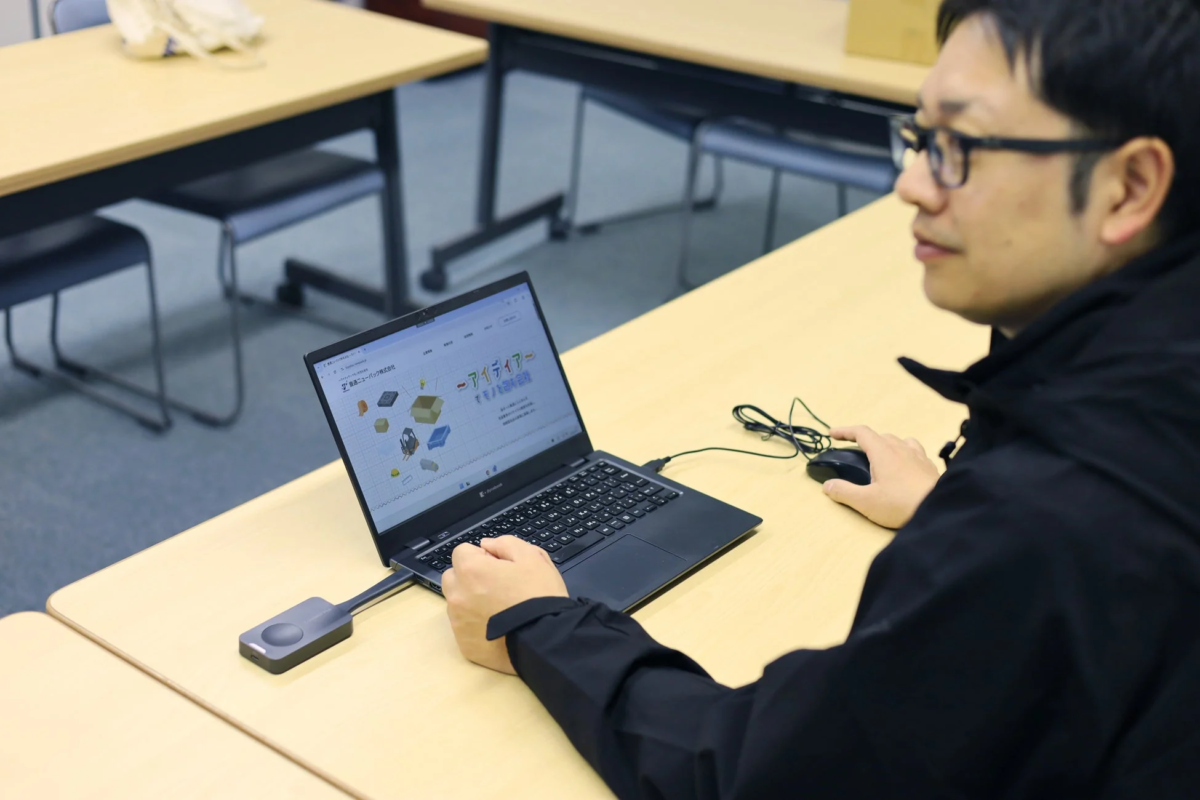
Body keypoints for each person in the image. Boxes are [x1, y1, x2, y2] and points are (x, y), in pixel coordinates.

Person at [441, 0, 1200, 795]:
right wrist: (956, 505)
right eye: (917, 139)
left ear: (1130, 186)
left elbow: (755, 776)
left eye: (959, 148)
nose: (910, 183)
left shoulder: (1042, 530)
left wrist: (540, 622)